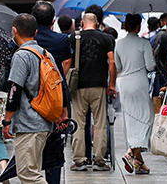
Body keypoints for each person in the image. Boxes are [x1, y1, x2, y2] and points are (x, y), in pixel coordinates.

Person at [4, 14, 62, 184]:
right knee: (33, 171)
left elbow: (14, 89)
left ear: (14, 31)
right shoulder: (46, 54)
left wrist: (7, 120)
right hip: (44, 119)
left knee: (28, 174)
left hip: (28, 123)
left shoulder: (21, 56)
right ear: (35, 32)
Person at [65, 12, 116, 171]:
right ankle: (100, 160)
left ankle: (79, 160)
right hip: (99, 85)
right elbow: (112, 62)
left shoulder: (74, 37)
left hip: (78, 86)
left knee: (79, 123)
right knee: (100, 123)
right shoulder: (106, 38)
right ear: (97, 23)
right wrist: (112, 84)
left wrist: (65, 83)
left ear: (82, 22)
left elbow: (68, 61)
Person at [31, 0, 73, 184]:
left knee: (32, 144)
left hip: (33, 97)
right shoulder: (61, 40)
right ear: (53, 20)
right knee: (55, 144)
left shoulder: (27, 42)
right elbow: (66, 61)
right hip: (56, 95)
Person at [115, 13, 156, 174]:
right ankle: (132, 153)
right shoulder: (144, 43)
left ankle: (138, 160)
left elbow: (118, 65)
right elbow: (151, 66)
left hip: (124, 82)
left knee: (130, 118)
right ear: (138, 26)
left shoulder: (119, 43)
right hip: (139, 82)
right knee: (146, 118)